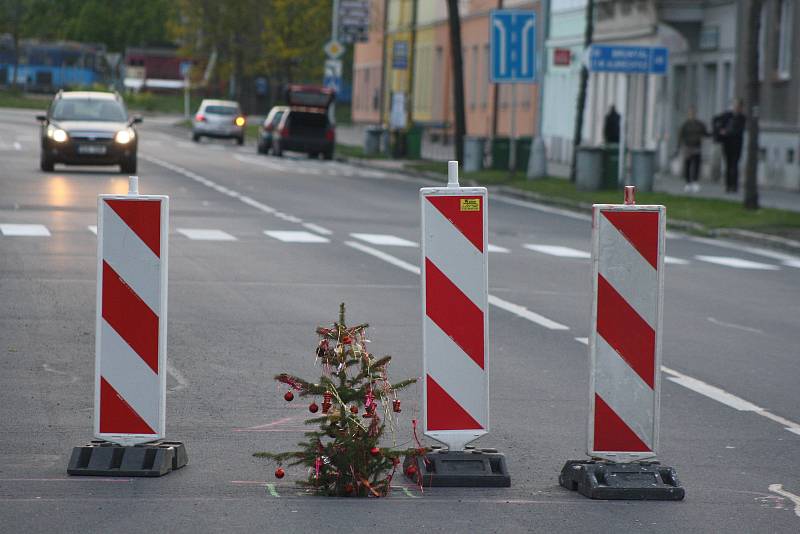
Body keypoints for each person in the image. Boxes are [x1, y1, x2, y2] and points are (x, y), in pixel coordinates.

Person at [713, 99, 746, 193]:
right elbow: (716, 119)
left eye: (738, 107)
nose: (737, 108)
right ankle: (728, 185)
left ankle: (734, 185)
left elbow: (739, 131)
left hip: (736, 145)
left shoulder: (742, 118)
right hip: (727, 144)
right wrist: (719, 130)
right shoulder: (727, 115)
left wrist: (727, 132)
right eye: (735, 106)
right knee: (728, 164)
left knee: (734, 165)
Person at [675, 106, 709, 192]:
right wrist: (678, 147)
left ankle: (695, 182)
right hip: (688, 147)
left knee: (696, 165)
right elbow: (681, 136)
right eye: (690, 113)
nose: (692, 115)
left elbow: (705, 133)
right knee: (688, 165)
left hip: (697, 146)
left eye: (693, 113)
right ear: (688, 114)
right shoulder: (685, 125)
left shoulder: (699, 124)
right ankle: (688, 182)